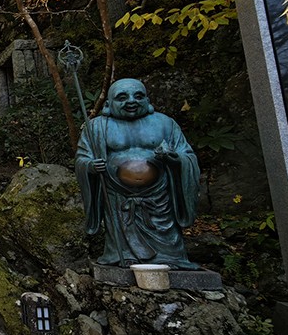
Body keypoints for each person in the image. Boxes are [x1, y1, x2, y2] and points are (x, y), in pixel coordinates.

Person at [75, 78, 200, 269]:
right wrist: (91, 166)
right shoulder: (97, 127)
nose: (131, 101)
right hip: (118, 197)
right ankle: (122, 255)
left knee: (167, 235)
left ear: (148, 100)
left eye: (138, 96)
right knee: (122, 232)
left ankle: (171, 257)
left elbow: (187, 155)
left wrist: (174, 158)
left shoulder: (165, 123)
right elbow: (83, 158)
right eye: (122, 97)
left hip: (160, 197)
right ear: (109, 104)